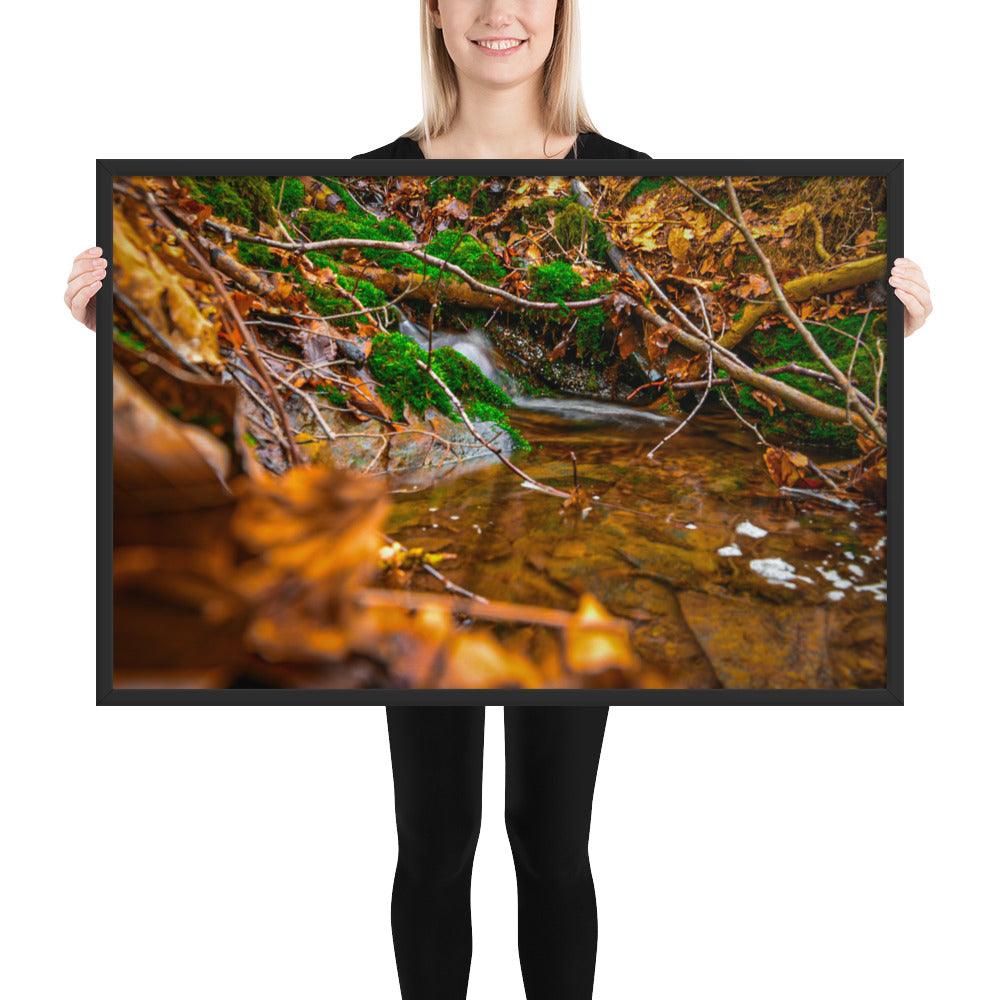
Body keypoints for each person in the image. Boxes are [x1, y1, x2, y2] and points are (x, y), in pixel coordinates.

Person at [65, 2, 933, 998]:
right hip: (426, 557)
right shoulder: (368, 177)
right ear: (431, 15)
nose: (496, 13)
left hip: (573, 529)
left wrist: (882, 354)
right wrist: (122, 321)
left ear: (562, 16)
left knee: (551, 841)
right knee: (435, 842)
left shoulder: (623, 173)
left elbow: (708, 359)